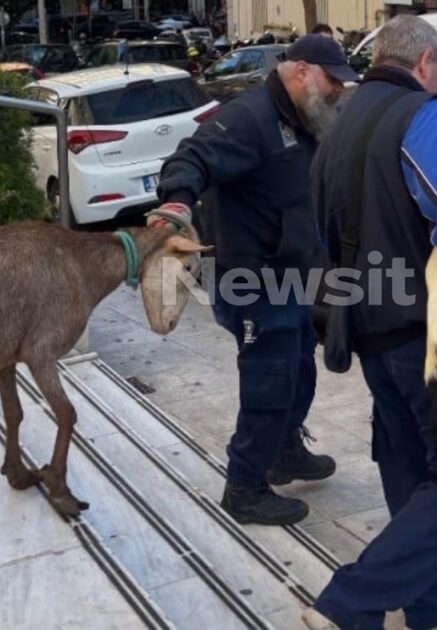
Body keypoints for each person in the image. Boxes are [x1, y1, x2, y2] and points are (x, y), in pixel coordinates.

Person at [303, 15, 437, 630]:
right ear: (425, 63)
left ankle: (427, 606)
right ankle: (349, 605)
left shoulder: (337, 130)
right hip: (432, 335)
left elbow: (327, 237)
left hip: (372, 334)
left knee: (413, 469)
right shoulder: (422, 117)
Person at [152, 36, 359, 526]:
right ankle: (244, 487)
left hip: (288, 274)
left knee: (299, 369)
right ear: (303, 70)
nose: (337, 90)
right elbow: (191, 158)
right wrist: (177, 201)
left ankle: (284, 450)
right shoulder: (249, 118)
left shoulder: (301, 116)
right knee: (268, 379)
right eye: (332, 80)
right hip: (249, 278)